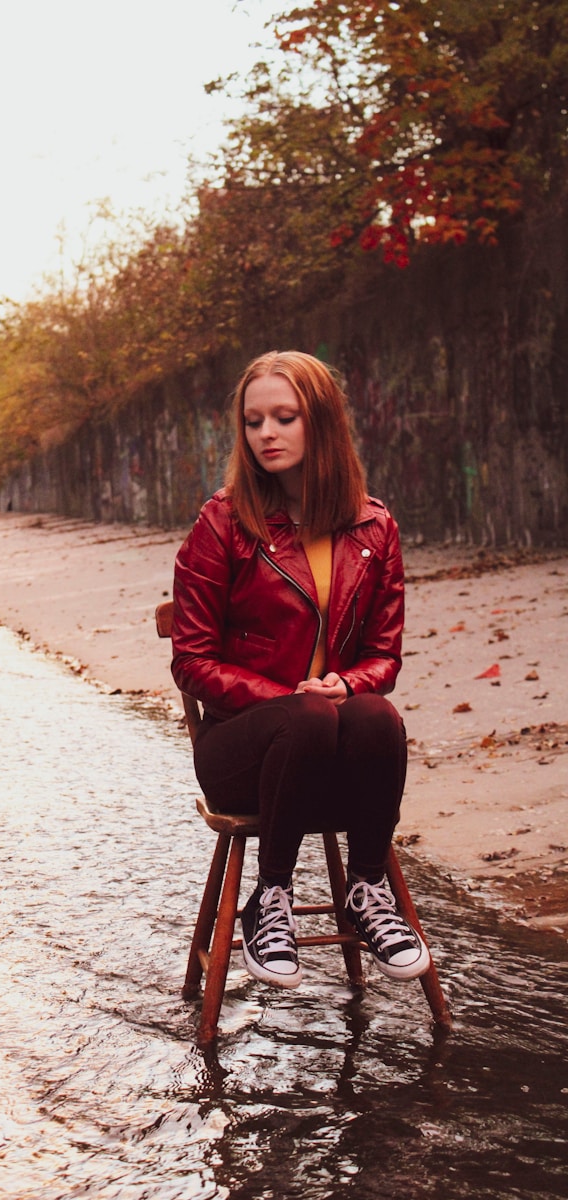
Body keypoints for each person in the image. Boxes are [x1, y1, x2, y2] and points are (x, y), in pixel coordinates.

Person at [171, 350, 430, 990]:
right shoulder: (224, 522)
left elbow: (384, 659)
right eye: (254, 421)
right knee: (310, 715)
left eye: (284, 417)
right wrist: (287, 697)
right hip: (243, 750)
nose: (266, 434)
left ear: (322, 424)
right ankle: (271, 897)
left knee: (375, 715)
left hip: (334, 747)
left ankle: (367, 891)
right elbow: (192, 661)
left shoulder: (375, 527)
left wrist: (350, 683)